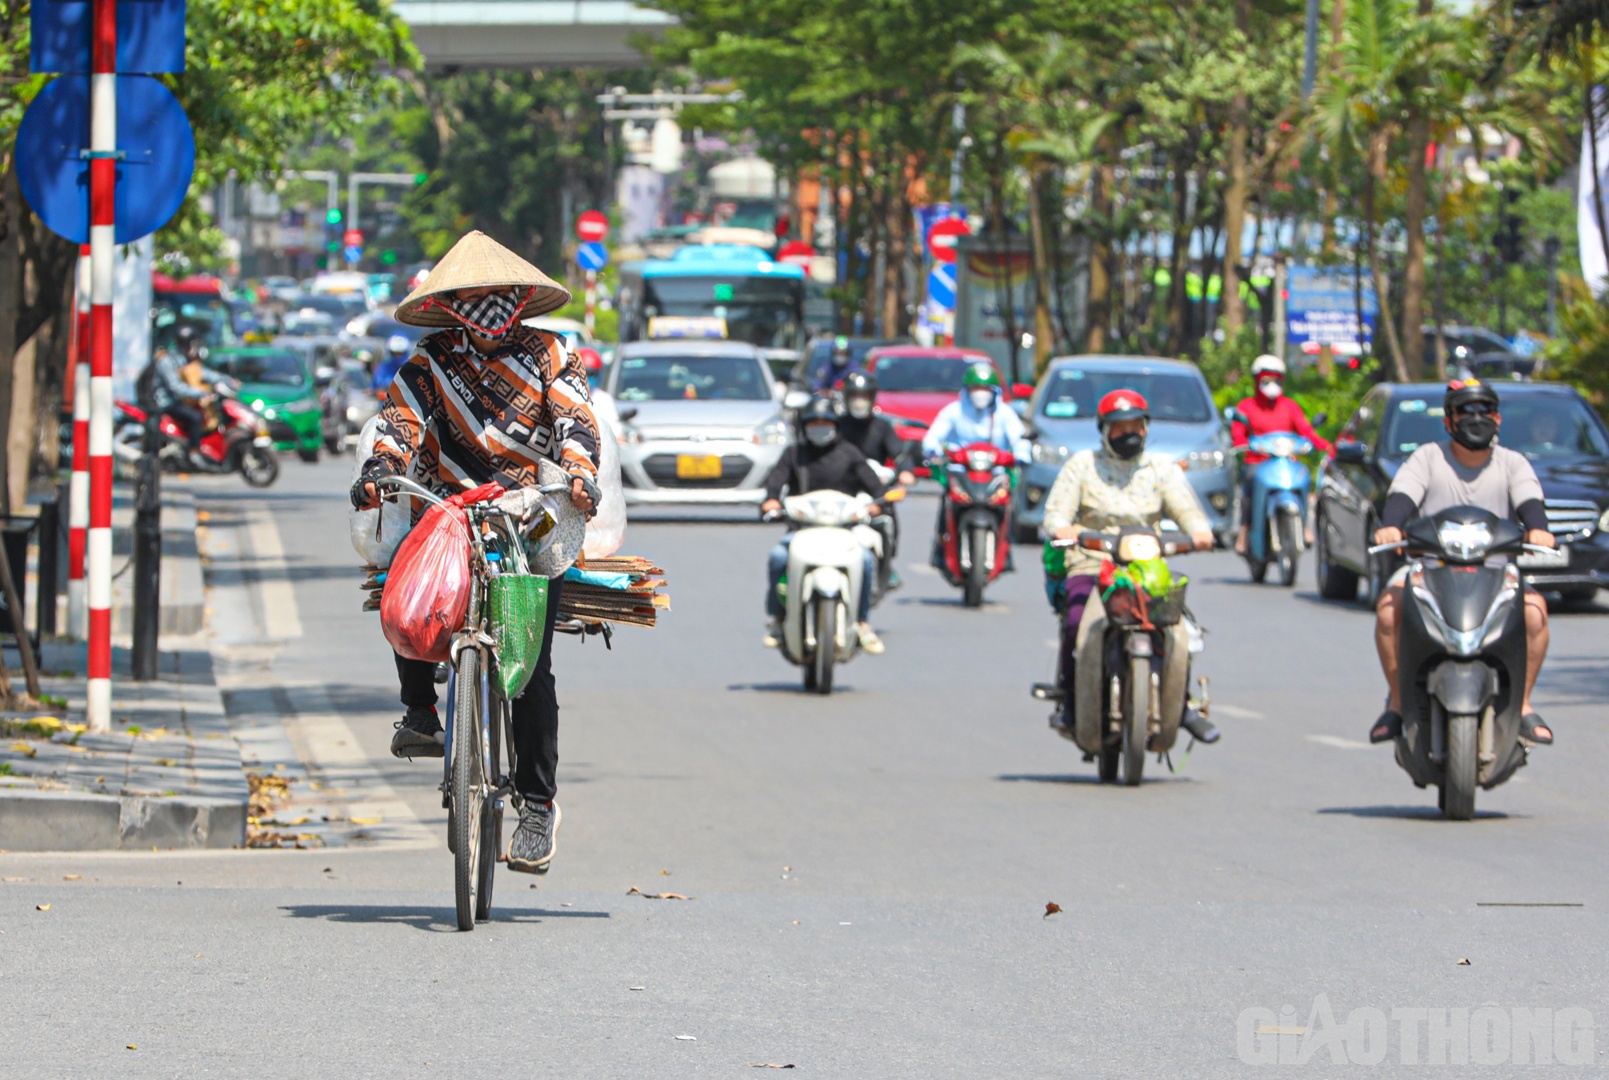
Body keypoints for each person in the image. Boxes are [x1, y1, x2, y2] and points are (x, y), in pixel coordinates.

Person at [350, 230, 600, 875]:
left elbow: (576, 419)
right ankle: (419, 709)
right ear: (453, 304)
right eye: (473, 298)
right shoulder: (429, 362)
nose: (487, 310)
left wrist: (578, 471)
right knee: (405, 590)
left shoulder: (550, 353)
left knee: (531, 669)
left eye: (498, 298)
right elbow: (399, 423)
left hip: (529, 512)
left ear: (518, 300)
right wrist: (381, 466)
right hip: (445, 505)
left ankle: (538, 805)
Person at [1368, 379, 1556, 746]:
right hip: (1430, 569)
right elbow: (1403, 495)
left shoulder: (1512, 463)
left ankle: (1523, 704)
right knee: (1388, 611)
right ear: (1448, 421)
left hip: (1497, 572)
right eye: (1465, 411)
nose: (1476, 418)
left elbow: (1531, 503)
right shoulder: (1427, 457)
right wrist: (1391, 526)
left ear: (1498, 418)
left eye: (1484, 410)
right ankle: (1399, 702)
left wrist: (1538, 530)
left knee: (1536, 612)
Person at [1041, 389, 1221, 743]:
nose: (1128, 434)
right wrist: (1064, 530)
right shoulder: (1082, 466)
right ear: (1104, 431)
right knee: (1078, 622)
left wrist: (1200, 533)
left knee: (1179, 631)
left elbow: (1187, 511)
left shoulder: (1161, 468)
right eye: (1119, 428)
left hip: (1147, 566)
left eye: (1135, 426)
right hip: (1092, 562)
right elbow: (1056, 514)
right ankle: (1070, 702)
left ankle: (1180, 703)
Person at [760, 395, 888, 654]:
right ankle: (777, 618)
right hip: (802, 531)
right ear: (804, 426)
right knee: (777, 558)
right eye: (814, 422)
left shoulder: (850, 453)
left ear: (835, 425)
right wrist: (771, 501)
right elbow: (775, 484)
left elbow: (876, 488)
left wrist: (878, 504)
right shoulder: (794, 454)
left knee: (864, 560)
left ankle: (862, 622)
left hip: (844, 533)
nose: (820, 428)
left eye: (825, 422)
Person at [921, 362, 1030, 566]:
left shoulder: (1004, 413)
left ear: (994, 391)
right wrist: (933, 450)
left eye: (985, 389)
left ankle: (1006, 546)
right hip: (961, 472)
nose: (981, 394)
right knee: (947, 505)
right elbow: (933, 436)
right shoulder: (954, 411)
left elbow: (1019, 437)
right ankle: (940, 546)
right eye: (976, 388)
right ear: (967, 390)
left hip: (994, 473)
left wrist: (1023, 454)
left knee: (1009, 505)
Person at [1230, 354, 1332, 554]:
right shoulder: (1246, 407)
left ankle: (1304, 525)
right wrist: (1244, 444)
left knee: (1303, 476)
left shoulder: (1289, 406)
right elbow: (1238, 434)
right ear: (1257, 380)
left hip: (1285, 460)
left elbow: (1306, 432)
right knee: (1249, 486)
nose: (1271, 384)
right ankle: (1244, 532)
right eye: (1266, 379)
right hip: (1257, 462)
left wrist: (1326, 446)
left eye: (1275, 379)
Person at [839, 370, 916, 589]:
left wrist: (905, 471)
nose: (859, 402)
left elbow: (900, 453)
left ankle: (887, 564)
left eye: (863, 396)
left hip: (874, 491)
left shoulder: (882, 427)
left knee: (889, 517)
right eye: (854, 396)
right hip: (843, 488)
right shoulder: (837, 426)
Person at [140, 326, 221, 453]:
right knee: (195, 417)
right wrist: (201, 393)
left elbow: (202, 373)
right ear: (187, 344)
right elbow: (175, 386)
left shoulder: (182, 359)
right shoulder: (167, 360)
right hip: (163, 402)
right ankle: (193, 452)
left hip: (175, 400)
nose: (196, 349)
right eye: (194, 345)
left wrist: (225, 380)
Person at [370, 333, 413, 398]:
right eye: (395, 353)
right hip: (384, 405)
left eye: (400, 353)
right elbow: (374, 387)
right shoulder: (383, 368)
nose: (398, 356)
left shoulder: (413, 369)